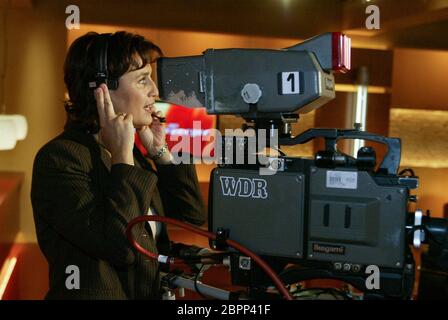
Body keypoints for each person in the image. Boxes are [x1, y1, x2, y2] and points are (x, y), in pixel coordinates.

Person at [31, 31, 206, 300]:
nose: (155, 91)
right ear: (103, 88)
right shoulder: (59, 159)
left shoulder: (134, 156)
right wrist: (122, 156)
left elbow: (191, 214)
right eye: (142, 80)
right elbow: (119, 246)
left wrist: (160, 152)